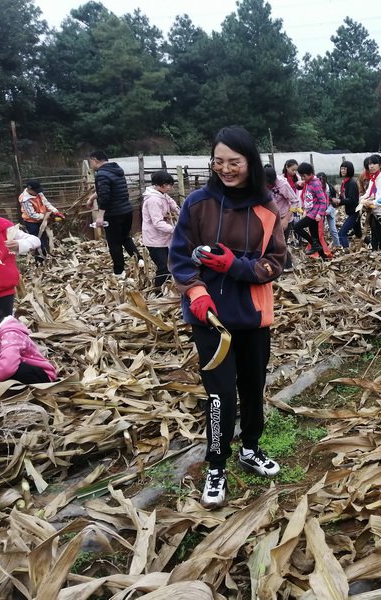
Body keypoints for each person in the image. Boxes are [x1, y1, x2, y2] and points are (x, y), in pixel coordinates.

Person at [169, 126, 287, 509]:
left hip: (252, 315)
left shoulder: (267, 208)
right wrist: (196, 292)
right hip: (211, 319)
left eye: (234, 162)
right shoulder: (197, 204)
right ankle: (216, 464)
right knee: (219, 396)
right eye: (219, 162)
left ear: (250, 163)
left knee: (253, 387)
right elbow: (180, 257)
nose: (226, 169)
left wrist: (235, 265)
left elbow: (276, 263)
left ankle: (250, 447)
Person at [87, 150, 143, 278]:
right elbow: (107, 190)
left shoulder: (101, 174)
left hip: (113, 214)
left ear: (95, 160)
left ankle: (119, 272)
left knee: (114, 243)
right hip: (126, 211)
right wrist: (91, 198)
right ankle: (140, 260)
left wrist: (100, 216)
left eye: (90, 162)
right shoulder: (116, 170)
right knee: (125, 237)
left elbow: (105, 197)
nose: (91, 165)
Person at [0, 213, 40, 316]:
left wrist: (19, 244)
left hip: (4, 287)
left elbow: (35, 240)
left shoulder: (3, 226)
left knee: (4, 325)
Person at [0, 310, 57, 385]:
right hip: (13, 375)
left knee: (18, 368)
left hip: (41, 376)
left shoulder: (10, 335)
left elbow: (8, 367)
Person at [141, 170, 180, 292]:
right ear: (158, 184)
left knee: (168, 265)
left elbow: (171, 203)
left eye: (170, 184)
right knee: (163, 267)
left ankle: (165, 289)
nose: (169, 187)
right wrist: (176, 229)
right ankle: (158, 292)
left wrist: (180, 211)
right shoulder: (154, 200)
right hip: (154, 239)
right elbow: (157, 223)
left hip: (162, 238)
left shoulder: (161, 195)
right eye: (166, 185)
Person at [18, 180, 63, 263]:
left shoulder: (38, 193)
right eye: (36, 191)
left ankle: (46, 256)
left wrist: (55, 211)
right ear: (29, 189)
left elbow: (46, 203)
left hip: (42, 219)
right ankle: (39, 261)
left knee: (44, 238)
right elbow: (32, 214)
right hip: (31, 223)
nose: (38, 192)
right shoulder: (25, 199)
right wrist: (46, 217)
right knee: (37, 241)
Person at [264, 165, 298, 272]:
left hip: (284, 217)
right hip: (270, 218)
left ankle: (288, 266)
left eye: (269, 184)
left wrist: (286, 219)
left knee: (281, 243)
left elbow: (295, 202)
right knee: (269, 243)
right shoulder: (260, 183)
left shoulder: (283, 184)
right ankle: (275, 265)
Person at [293, 162, 329, 258]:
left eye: (304, 176)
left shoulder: (316, 184)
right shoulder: (308, 182)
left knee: (297, 227)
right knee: (315, 237)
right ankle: (324, 257)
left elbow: (323, 200)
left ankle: (314, 244)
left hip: (313, 214)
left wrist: (319, 214)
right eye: (301, 176)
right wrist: (300, 183)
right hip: (310, 212)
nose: (302, 178)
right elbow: (299, 186)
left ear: (310, 173)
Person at [337, 160, 361, 248]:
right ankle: (371, 245)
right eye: (341, 168)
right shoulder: (345, 183)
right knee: (358, 234)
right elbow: (344, 198)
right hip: (351, 212)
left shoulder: (351, 183)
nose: (342, 170)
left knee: (342, 233)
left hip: (354, 213)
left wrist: (340, 201)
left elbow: (353, 200)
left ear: (349, 170)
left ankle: (346, 253)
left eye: (345, 169)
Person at [318, 172, 341, 248]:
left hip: (330, 209)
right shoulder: (316, 188)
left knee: (333, 229)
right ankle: (321, 245)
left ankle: (337, 245)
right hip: (320, 211)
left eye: (322, 182)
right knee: (320, 229)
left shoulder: (330, 189)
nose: (321, 184)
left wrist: (328, 210)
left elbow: (334, 203)